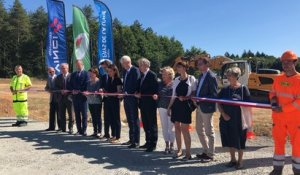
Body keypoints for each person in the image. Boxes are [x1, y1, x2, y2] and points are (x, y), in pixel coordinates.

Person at [269, 50, 300, 175]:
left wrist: (283, 109)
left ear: (295, 62)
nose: (285, 64)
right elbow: (272, 93)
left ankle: (297, 171)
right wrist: (274, 102)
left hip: (295, 120)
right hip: (278, 119)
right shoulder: (278, 78)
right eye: (283, 62)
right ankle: (277, 169)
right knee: (278, 143)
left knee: (297, 146)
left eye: (288, 62)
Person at [217, 67, 250, 170]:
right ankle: (232, 160)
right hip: (226, 119)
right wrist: (223, 114)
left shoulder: (243, 89)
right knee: (229, 139)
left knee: (240, 140)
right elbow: (218, 102)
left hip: (239, 120)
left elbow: (248, 105)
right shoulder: (225, 89)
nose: (228, 77)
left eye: (230, 75)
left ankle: (240, 162)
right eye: (227, 75)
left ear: (236, 77)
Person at [167, 61, 197, 160]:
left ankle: (188, 153)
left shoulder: (192, 78)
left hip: (186, 106)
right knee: (177, 128)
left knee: (185, 129)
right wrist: (169, 107)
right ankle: (179, 150)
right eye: (177, 67)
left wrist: (186, 97)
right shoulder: (176, 80)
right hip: (176, 105)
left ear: (185, 67)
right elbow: (173, 95)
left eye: (180, 67)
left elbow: (194, 93)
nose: (178, 68)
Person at [194, 54, 218, 162]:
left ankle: (211, 154)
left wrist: (201, 98)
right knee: (199, 129)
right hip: (199, 106)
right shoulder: (200, 76)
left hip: (207, 107)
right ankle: (205, 151)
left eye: (200, 64)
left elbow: (214, 94)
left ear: (206, 64)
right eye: (197, 64)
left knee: (209, 131)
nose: (198, 66)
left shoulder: (211, 76)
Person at [136, 58, 159, 152]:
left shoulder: (152, 75)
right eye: (139, 65)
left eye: (141, 65)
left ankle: (153, 144)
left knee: (151, 124)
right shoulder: (142, 76)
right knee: (145, 123)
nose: (139, 67)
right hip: (143, 103)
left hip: (150, 103)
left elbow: (154, 89)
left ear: (146, 65)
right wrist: (138, 93)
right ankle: (147, 141)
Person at [153, 66, 175, 154]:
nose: (163, 75)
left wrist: (170, 107)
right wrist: (156, 96)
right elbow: (158, 93)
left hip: (172, 108)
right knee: (164, 127)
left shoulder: (174, 83)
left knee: (171, 128)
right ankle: (166, 145)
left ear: (170, 74)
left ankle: (172, 146)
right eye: (162, 74)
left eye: (165, 74)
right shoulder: (160, 84)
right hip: (161, 107)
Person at [120, 55, 141, 148]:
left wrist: (129, 92)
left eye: (123, 63)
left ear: (128, 62)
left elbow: (136, 83)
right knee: (129, 119)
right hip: (126, 98)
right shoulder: (125, 71)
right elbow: (125, 83)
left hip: (133, 98)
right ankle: (131, 139)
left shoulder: (135, 70)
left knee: (134, 119)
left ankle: (136, 141)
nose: (122, 65)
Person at [103, 64, 123, 143]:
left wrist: (110, 94)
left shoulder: (118, 79)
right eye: (108, 71)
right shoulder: (109, 79)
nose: (109, 73)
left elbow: (119, 92)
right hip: (108, 101)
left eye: (110, 71)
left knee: (116, 119)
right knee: (111, 119)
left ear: (115, 71)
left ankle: (118, 137)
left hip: (115, 101)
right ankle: (113, 135)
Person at [69, 60, 89, 136]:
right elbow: (70, 84)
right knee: (77, 115)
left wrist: (79, 90)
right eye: (76, 65)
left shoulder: (86, 74)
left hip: (83, 98)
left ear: (82, 64)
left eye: (79, 65)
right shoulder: (73, 74)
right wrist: (73, 90)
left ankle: (84, 130)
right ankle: (78, 130)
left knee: (84, 115)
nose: (78, 66)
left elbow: (86, 83)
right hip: (75, 97)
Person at [83, 67, 102, 137]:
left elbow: (97, 92)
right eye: (89, 74)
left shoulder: (99, 81)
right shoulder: (88, 82)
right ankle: (95, 131)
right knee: (93, 117)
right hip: (90, 101)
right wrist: (85, 93)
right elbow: (87, 90)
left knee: (98, 117)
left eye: (91, 73)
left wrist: (89, 93)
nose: (90, 75)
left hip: (97, 102)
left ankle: (99, 132)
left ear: (95, 73)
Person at [55, 63, 74, 134]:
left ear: (67, 68)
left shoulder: (72, 76)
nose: (62, 69)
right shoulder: (58, 77)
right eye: (61, 68)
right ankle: (63, 128)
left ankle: (70, 128)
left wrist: (68, 91)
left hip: (70, 98)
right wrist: (61, 91)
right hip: (61, 98)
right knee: (61, 114)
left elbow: (74, 86)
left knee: (71, 114)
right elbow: (56, 87)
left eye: (64, 68)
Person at [99, 59, 112, 139]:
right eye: (103, 68)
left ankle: (114, 135)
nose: (104, 69)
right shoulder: (104, 76)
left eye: (105, 68)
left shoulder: (114, 76)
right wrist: (101, 89)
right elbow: (102, 86)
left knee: (113, 118)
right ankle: (106, 133)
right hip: (106, 99)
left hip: (113, 99)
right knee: (106, 117)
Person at [45, 67, 59, 131]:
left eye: (52, 71)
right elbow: (46, 87)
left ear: (55, 71)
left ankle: (60, 127)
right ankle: (51, 127)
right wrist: (47, 90)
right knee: (52, 113)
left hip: (58, 98)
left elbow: (60, 87)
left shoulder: (58, 78)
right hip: (52, 98)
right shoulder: (48, 78)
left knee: (59, 114)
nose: (51, 73)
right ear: (48, 72)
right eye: (50, 72)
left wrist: (54, 90)